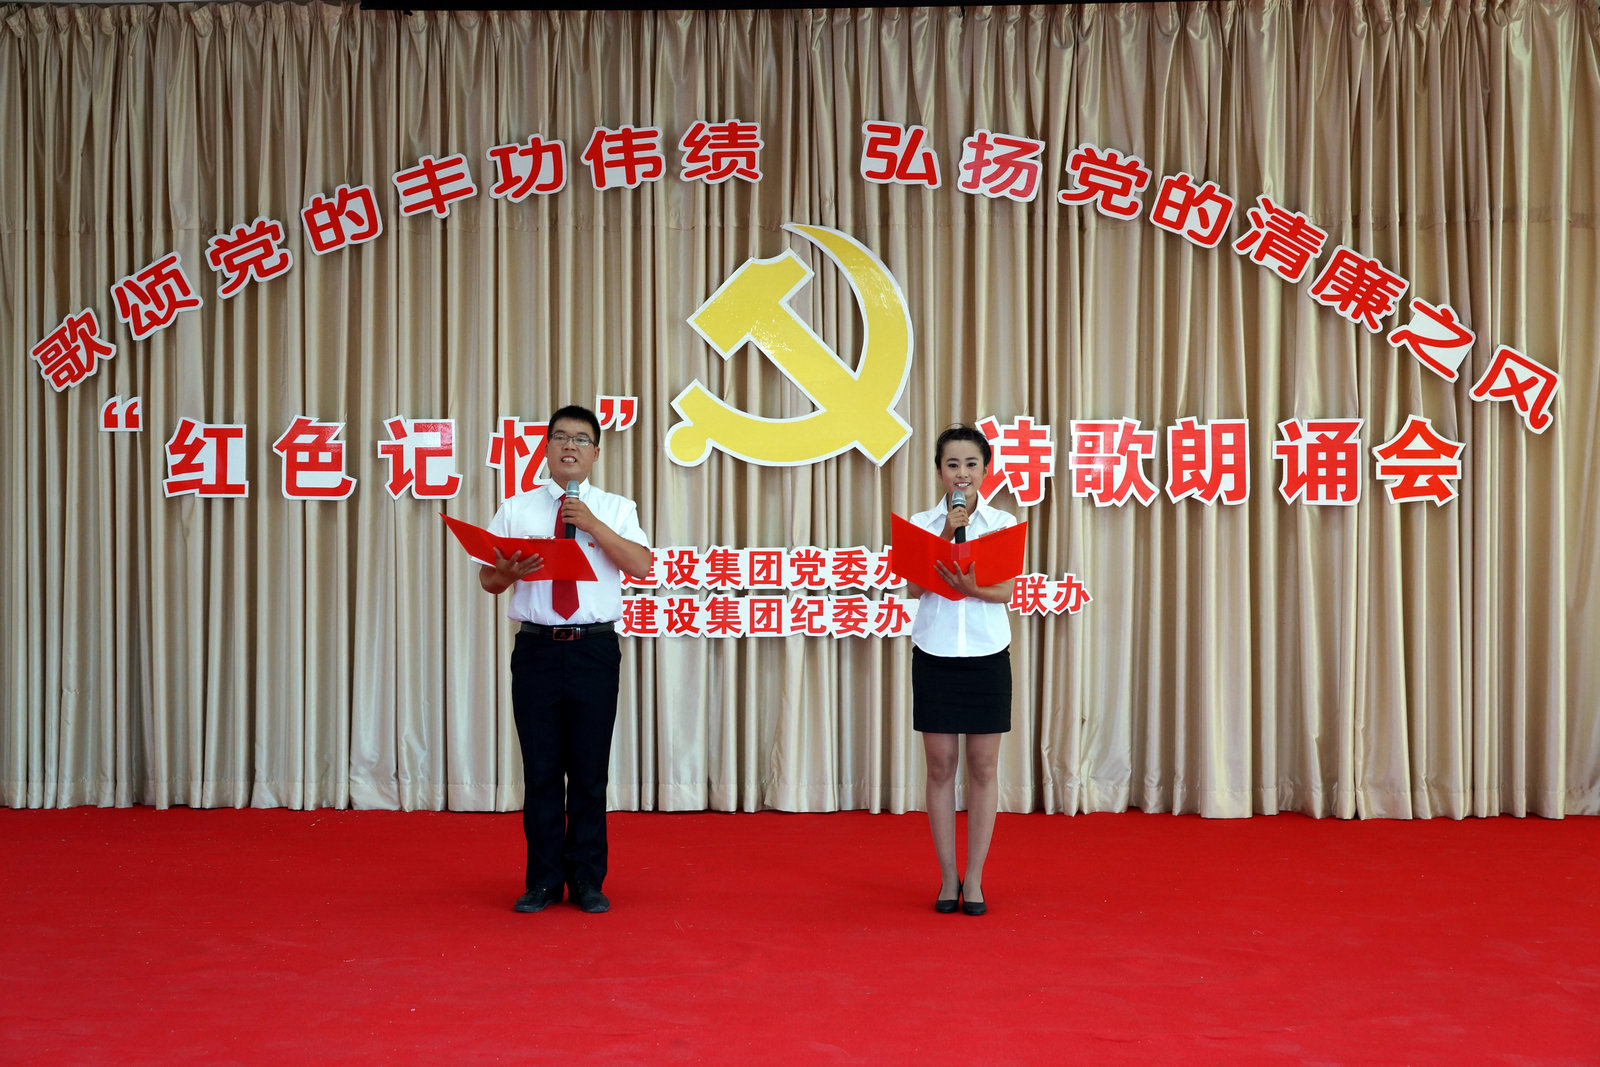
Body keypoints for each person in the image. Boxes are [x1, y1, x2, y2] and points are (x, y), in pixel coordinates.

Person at [478, 404, 653, 914]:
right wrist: (509, 572)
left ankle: (587, 880)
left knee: (589, 772)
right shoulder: (516, 508)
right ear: (547, 448)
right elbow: (489, 580)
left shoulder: (616, 508)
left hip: (593, 650)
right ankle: (543, 881)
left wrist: (593, 524)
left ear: (596, 452)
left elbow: (641, 565)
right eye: (560, 437)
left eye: (580, 439)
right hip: (536, 649)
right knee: (541, 771)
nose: (569, 446)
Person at [902, 425, 1018, 916]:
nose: (962, 473)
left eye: (971, 464)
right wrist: (947, 532)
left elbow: (1006, 590)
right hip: (935, 654)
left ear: (985, 470)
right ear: (939, 472)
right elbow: (913, 587)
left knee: (984, 768)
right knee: (940, 766)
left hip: (988, 656)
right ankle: (947, 876)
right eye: (952, 464)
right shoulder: (922, 523)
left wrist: (973, 590)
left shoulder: (1002, 522)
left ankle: (975, 878)